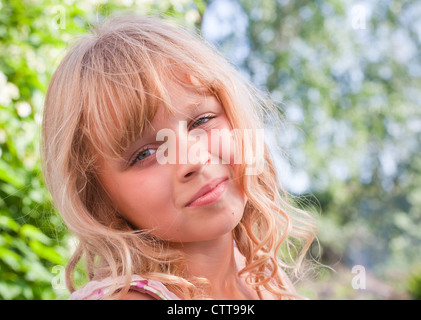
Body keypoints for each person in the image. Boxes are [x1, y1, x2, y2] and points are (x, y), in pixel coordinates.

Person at [41, 13, 317, 300]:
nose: (193, 160)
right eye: (145, 153)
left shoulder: (263, 278)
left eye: (202, 121)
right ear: (100, 201)